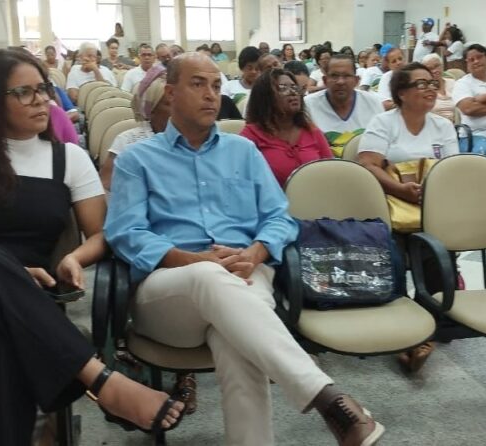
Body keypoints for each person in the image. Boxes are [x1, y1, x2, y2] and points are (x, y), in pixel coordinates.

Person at [0, 49, 187, 444]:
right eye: (24, 92)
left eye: (43, 89)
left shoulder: (68, 158)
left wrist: (74, 257)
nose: (42, 101)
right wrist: (12, 272)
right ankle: (100, 380)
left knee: (1, 346)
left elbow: (101, 234)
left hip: (25, 304)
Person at [105, 53, 384, 446]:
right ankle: (326, 398)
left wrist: (256, 252)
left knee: (238, 345)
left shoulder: (243, 152)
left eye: (217, 85)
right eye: (198, 84)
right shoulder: (138, 159)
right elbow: (125, 232)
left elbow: (279, 218)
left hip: (245, 274)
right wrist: (190, 259)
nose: (211, 95)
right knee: (208, 275)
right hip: (168, 294)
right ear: (170, 93)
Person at [357, 63, 458, 372]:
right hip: (391, 206)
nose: (430, 89)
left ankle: (427, 322)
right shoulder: (384, 122)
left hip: (431, 206)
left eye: (432, 83)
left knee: (437, 248)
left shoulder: (443, 126)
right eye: (421, 84)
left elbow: (453, 170)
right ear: (401, 93)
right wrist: (401, 189)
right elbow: (368, 164)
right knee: (394, 253)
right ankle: (402, 328)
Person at [240, 69, 331, 186]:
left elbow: (331, 173)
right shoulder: (250, 136)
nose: (293, 93)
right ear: (266, 97)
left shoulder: (312, 131)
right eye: (283, 88)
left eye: (294, 87)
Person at [101, 66, 170, 190]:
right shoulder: (126, 141)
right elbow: (106, 182)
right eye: (168, 104)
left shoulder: (191, 140)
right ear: (151, 110)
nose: (177, 110)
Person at [305, 53, 385, 157]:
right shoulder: (308, 105)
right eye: (334, 76)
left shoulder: (374, 103)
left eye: (346, 76)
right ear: (325, 80)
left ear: (356, 80)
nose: (340, 81)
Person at [421, 54, 457, 122]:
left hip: (457, 124)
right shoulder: (423, 90)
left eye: (437, 66)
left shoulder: (453, 83)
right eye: (430, 69)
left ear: (442, 66)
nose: (434, 70)